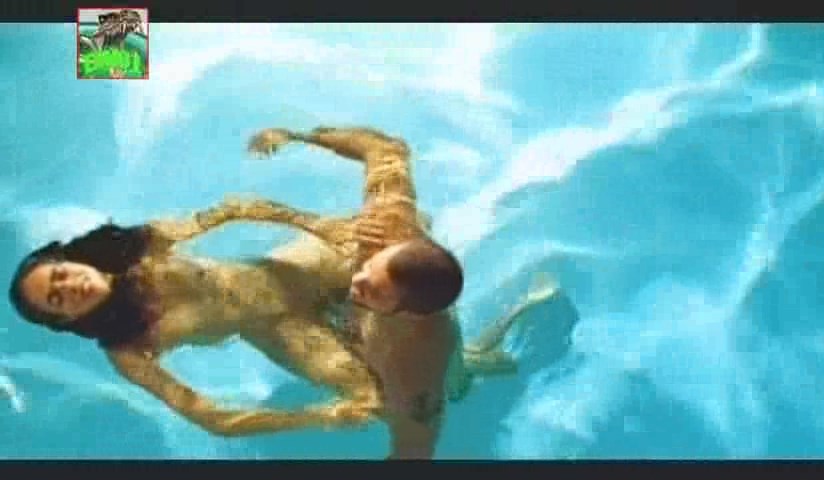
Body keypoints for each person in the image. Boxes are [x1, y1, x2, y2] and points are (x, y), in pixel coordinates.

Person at [8, 193, 559, 447]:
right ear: (65, 322)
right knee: (410, 392)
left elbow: (235, 208)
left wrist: (321, 226)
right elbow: (212, 418)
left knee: (402, 229)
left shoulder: (136, 248)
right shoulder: (126, 349)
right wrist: (322, 416)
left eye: (60, 274)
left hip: (290, 269)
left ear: (68, 258)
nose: (69, 287)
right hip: (281, 333)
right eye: (58, 301)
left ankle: (443, 316)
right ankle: (498, 340)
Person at [243, 126, 515, 458]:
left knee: (460, 383)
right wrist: (297, 136)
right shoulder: (384, 232)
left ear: (406, 314)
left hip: (433, 353)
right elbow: (384, 147)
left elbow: (414, 451)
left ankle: (506, 342)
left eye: (372, 290)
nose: (356, 280)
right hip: (407, 293)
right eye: (368, 270)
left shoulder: (419, 364)